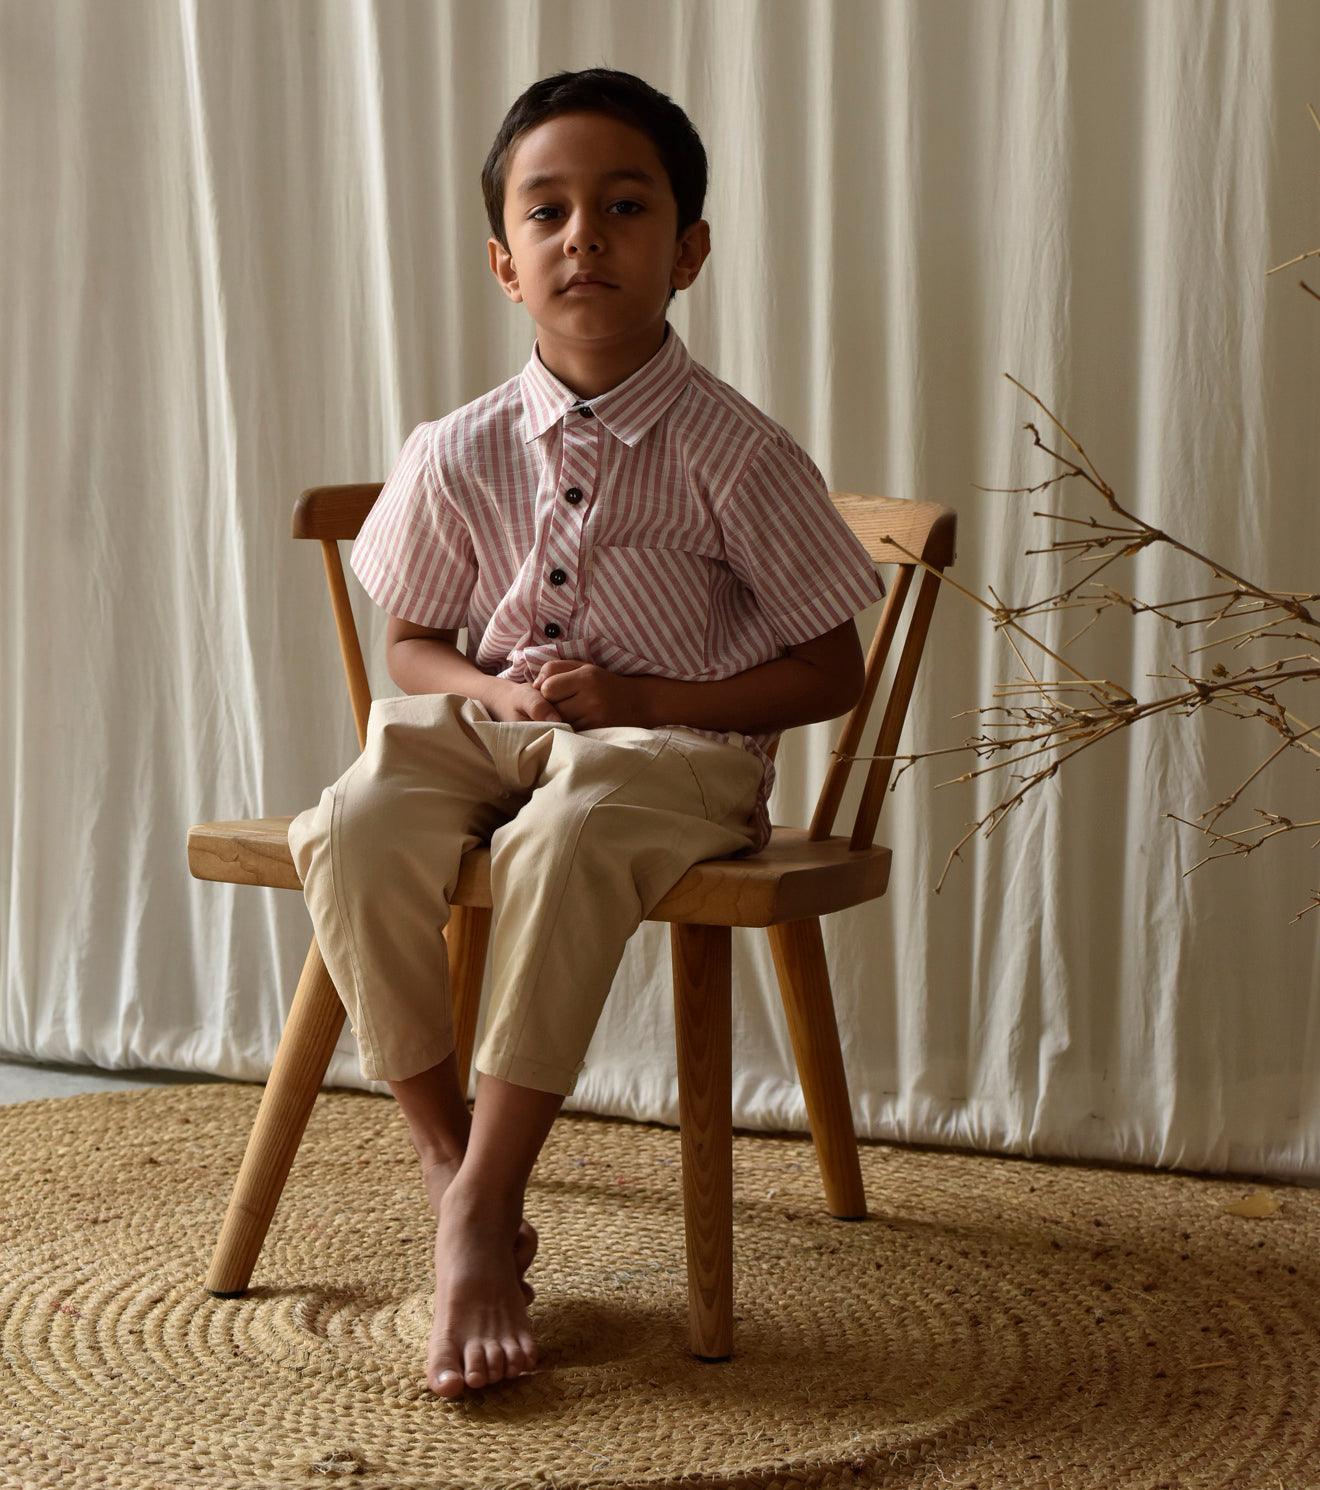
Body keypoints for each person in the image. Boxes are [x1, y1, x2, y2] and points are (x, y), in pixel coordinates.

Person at [287, 66, 886, 1401]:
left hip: (673, 759)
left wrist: (646, 698)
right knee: (355, 816)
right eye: (546, 212)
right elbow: (412, 644)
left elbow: (831, 665)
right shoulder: (456, 447)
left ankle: (482, 1202)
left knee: (571, 828)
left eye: (624, 207)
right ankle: (455, 1176)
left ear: (688, 250)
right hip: (504, 731)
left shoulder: (738, 453)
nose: (584, 238)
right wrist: (495, 693)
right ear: (505, 262)